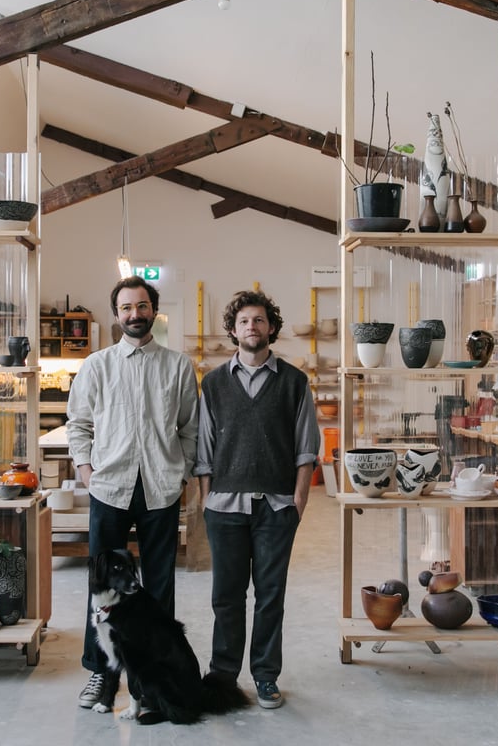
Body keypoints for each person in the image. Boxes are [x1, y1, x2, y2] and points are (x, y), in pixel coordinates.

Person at [67, 275, 199, 709]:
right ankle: (102, 676)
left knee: (157, 587)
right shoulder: (97, 365)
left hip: (161, 488)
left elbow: (189, 429)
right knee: (102, 588)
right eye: (126, 308)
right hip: (109, 486)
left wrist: (181, 474)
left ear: (153, 311)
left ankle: (147, 680)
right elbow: (79, 424)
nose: (134, 314)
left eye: (142, 306)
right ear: (117, 314)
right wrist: (86, 471)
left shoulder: (178, 366)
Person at [194, 289, 320, 710]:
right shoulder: (212, 384)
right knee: (226, 597)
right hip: (225, 509)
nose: (252, 326)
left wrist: (298, 502)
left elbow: (306, 448)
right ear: (233, 330)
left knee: (270, 596)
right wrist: (207, 500)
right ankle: (224, 676)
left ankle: (266, 676)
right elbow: (204, 452)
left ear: (271, 328)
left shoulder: (294, 381)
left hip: (276, 508)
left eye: (260, 320)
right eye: (244, 320)